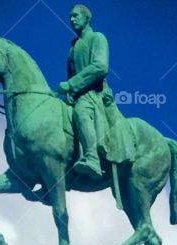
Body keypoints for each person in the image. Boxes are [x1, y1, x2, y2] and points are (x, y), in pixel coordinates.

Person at [58, 5, 114, 180]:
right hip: (76, 95)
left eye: (75, 16)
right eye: (70, 17)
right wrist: (69, 92)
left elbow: (100, 67)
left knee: (81, 113)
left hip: (93, 95)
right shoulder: (73, 47)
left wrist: (71, 84)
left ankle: (92, 158)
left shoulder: (98, 38)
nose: (72, 19)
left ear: (86, 18)